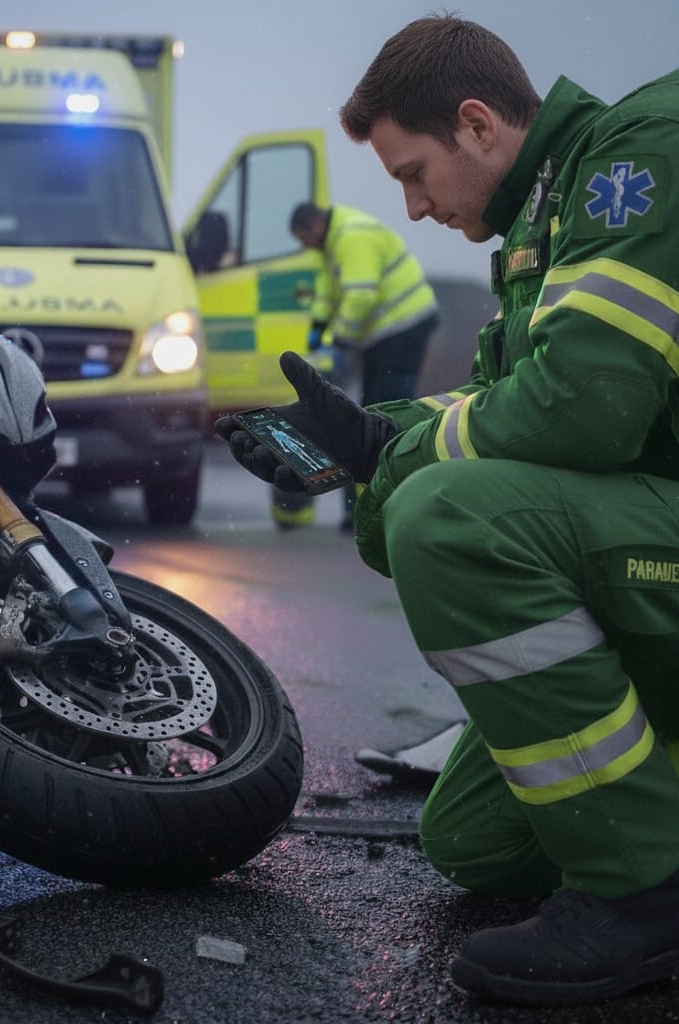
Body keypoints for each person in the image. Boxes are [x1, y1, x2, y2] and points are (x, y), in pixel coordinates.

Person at [216, 13, 679, 1007]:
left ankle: (645, 893)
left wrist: (400, 456)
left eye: (412, 173)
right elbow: (505, 415)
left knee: (454, 521)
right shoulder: (537, 239)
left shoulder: (638, 158)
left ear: (477, 125)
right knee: (471, 838)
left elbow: (584, 410)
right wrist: (360, 440)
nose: (414, 208)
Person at [271, 202, 438, 530]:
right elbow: (327, 294)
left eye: (304, 238)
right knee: (369, 413)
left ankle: (380, 504)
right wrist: (317, 336)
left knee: (384, 412)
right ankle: (365, 506)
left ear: (315, 225)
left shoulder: (351, 237)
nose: (305, 246)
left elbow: (361, 296)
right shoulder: (331, 245)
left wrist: (340, 344)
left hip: (404, 325)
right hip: (386, 333)